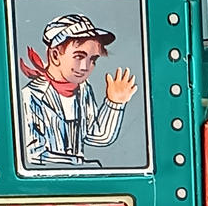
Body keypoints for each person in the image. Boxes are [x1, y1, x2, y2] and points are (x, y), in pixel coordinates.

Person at [18, 13, 138, 167]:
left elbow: (96, 135)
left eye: (92, 59)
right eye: (79, 57)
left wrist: (114, 103)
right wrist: (82, 165)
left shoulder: (83, 89)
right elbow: (33, 156)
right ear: (55, 56)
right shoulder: (32, 95)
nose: (85, 67)